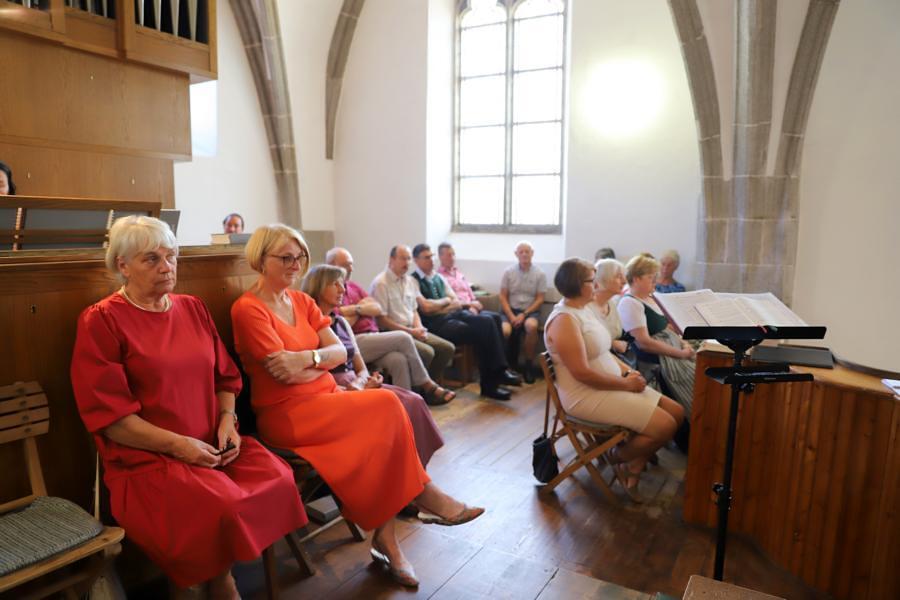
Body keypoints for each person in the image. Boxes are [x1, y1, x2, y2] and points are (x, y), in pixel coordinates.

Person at [231, 225, 483, 588]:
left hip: (327, 399)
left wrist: (307, 359)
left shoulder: (301, 301)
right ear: (260, 258)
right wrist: (319, 362)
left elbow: (339, 353)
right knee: (386, 403)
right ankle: (421, 497)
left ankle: (388, 539)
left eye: (299, 257)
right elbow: (283, 374)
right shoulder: (248, 309)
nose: (295, 264)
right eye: (285, 257)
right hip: (286, 412)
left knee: (387, 421)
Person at [70, 216, 306, 598]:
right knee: (224, 504)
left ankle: (210, 578)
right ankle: (221, 582)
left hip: (212, 442)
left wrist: (227, 421)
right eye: (152, 259)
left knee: (277, 477)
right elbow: (113, 420)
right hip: (149, 460)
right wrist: (180, 446)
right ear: (122, 265)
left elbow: (225, 378)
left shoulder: (192, 307)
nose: (167, 267)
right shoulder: (102, 320)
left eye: (172, 256)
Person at [543, 258, 684, 501]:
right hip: (584, 395)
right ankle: (616, 457)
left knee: (677, 413)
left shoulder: (583, 309)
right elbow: (582, 373)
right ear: (578, 285)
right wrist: (626, 384)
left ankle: (632, 463)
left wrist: (628, 372)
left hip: (609, 383)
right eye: (592, 280)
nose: (597, 284)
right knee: (665, 426)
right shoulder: (564, 320)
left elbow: (604, 351)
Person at [303, 263, 445, 467]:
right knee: (396, 407)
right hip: (334, 389)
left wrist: (364, 380)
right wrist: (354, 386)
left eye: (343, 284)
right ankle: (398, 468)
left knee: (414, 401)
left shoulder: (341, 322)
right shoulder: (307, 325)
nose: (342, 289)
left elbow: (360, 365)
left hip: (356, 382)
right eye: (335, 284)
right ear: (318, 286)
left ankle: (415, 467)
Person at [325, 247, 455, 405]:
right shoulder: (330, 290)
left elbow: (377, 308)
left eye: (351, 264)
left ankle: (406, 407)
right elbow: (342, 322)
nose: (351, 268)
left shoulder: (354, 286)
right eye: (346, 264)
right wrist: (362, 309)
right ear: (331, 265)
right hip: (354, 341)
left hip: (374, 337)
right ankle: (428, 385)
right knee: (403, 338)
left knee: (398, 360)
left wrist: (354, 310)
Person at [411, 243, 521, 401]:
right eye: (426, 257)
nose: (431, 260)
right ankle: (494, 378)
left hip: (454, 314)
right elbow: (426, 308)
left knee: (493, 318)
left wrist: (441, 305)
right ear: (416, 260)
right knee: (484, 327)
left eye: (432, 256)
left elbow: (455, 301)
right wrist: (445, 302)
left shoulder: (438, 277)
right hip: (436, 324)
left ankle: (497, 375)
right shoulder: (413, 280)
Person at [619, 254, 696, 417]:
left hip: (674, 348)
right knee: (696, 378)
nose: (655, 281)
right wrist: (680, 353)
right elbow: (644, 343)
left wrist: (683, 343)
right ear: (636, 278)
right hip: (658, 359)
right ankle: (692, 423)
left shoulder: (650, 298)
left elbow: (668, 328)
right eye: (650, 278)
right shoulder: (630, 303)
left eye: (655, 277)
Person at [370, 245, 456, 384]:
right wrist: (411, 331)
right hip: (394, 333)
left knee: (447, 348)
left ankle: (427, 388)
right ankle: (420, 389)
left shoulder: (409, 281)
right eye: (403, 258)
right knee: (427, 352)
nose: (407, 262)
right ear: (391, 259)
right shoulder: (381, 283)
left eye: (409, 259)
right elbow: (382, 320)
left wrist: (419, 327)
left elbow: (414, 310)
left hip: (413, 329)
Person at [499, 241, 547, 383]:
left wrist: (524, 314)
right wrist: (511, 316)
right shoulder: (508, 272)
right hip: (510, 310)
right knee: (505, 331)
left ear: (532, 253)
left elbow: (540, 299)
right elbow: (502, 296)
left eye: (527, 251)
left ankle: (528, 366)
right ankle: (504, 367)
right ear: (516, 254)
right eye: (521, 252)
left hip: (530, 311)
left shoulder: (540, 273)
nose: (524, 254)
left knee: (531, 326)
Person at [589, 258, 630, 356]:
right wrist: (612, 344)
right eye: (619, 277)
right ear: (603, 279)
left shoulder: (611, 303)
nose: (624, 281)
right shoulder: (586, 306)